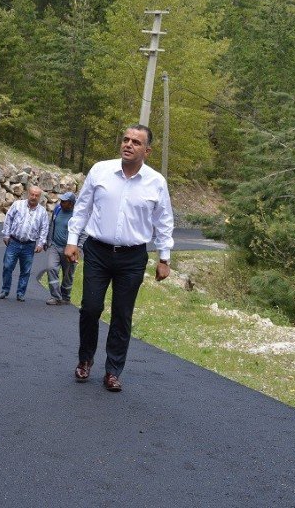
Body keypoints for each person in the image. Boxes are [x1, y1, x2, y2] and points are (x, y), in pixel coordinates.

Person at [65, 124, 173, 393]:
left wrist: (164, 257)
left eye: (136, 142)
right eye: (125, 139)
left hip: (133, 257)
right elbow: (82, 208)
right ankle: (85, 359)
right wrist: (71, 241)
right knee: (90, 308)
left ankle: (113, 370)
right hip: (98, 251)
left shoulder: (156, 182)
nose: (128, 144)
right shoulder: (100, 170)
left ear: (147, 150)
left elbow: (164, 221)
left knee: (122, 315)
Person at [0, 186, 49, 302]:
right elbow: (8, 219)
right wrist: (6, 235)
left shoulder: (42, 212)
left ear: (39, 197)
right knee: (7, 267)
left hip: (29, 245)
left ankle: (20, 293)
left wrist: (41, 243)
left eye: (37, 195)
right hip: (14, 242)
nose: (34, 197)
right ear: (28, 194)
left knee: (25, 271)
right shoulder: (17, 205)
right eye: (32, 194)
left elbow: (44, 229)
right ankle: (5, 290)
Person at [45, 191, 77, 306]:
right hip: (55, 246)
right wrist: (47, 241)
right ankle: (56, 297)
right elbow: (51, 225)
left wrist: (79, 247)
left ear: (71, 204)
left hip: (69, 249)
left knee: (68, 274)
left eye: (64, 201)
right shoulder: (57, 209)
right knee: (50, 268)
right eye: (61, 201)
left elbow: (83, 233)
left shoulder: (77, 214)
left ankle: (66, 296)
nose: (61, 203)